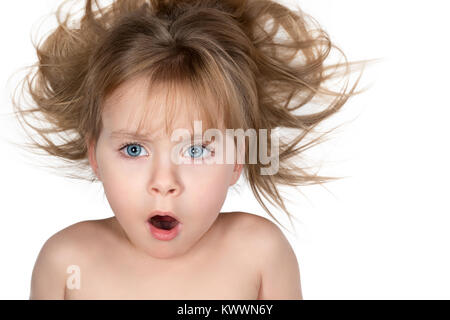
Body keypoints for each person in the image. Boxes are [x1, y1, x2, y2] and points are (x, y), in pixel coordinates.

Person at [10, 0, 374, 299]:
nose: (164, 183)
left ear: (237, 160)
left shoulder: (259, 254)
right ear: (94, 155)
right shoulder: (67, 262)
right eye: (134, 149)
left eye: (197, 151)